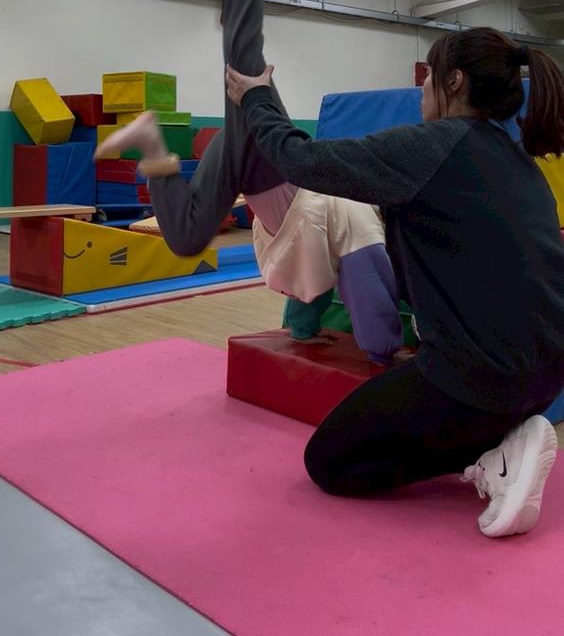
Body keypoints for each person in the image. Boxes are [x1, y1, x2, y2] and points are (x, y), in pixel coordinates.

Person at [225, 26, 564, 538]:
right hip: (548, 376)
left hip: (481, 381)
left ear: (454, 81)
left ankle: (491, 457)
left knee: (329, 461)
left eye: (429, 75)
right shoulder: (517, 160)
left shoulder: (432, 147)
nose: (422, 87)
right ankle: (503, 433)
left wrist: (256, 98)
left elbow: (300, 161)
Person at [96, 0, 402, 364]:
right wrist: (384, 353)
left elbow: (312, 287)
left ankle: (153, 144)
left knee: (187, 238)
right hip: (278, 161)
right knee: (243, 60)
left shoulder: (345, 234)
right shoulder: (364, 226)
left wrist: (303, 334)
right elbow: (368, 293)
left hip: (255, 174)